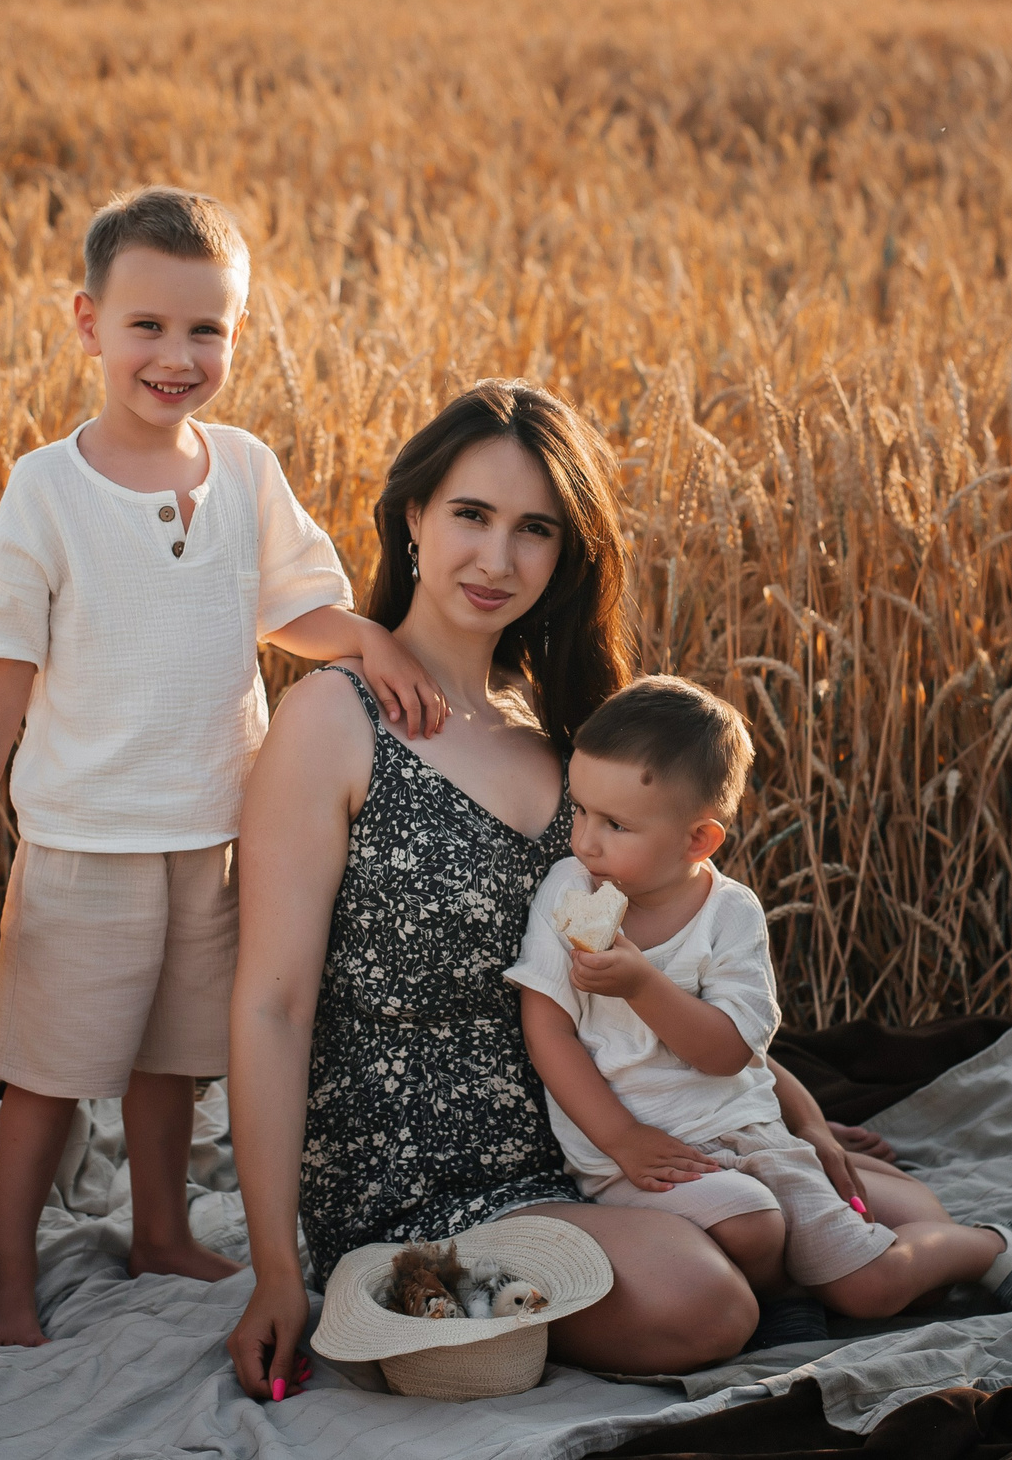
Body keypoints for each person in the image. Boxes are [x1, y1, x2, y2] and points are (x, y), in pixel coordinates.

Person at [0, 187, 447, 1347]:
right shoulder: (48, 487)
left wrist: (364, 635)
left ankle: (157, 1225)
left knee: (174, 1057)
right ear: (88, 324)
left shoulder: (244, 468)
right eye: (147, 325)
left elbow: (293, 606)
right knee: (50, 1069)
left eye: (208, 330)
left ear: (235, 338)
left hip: (213, 821)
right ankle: (6, 1265)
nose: (176, 355)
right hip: (85, 831)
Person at [225, 380, 762, 1404]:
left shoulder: (572, 734)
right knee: (709, 1304)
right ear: (415, 515)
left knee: (782, 1236)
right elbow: (270, 1002)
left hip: (584, 1140)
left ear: (566, 556)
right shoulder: (336, 718)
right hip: (412, 1172)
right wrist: (273, 1268)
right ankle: (404, 1292)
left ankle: (517, 1300)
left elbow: (672, 949)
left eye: (534, 530)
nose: (496, 558)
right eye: (471, 514)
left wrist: (786, 1106)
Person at [507, 676, 1012, 1319]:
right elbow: (547, 1031)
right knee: (751, 1229)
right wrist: (623, 1138)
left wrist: (642, 984)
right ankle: (783, 1298)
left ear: (699, 840)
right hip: (629, 1161)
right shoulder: (569, 890)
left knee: (865, 1290)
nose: (585, 841)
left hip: (748, 1136)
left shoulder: (730, 916)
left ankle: (991, 1246)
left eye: (615, 824)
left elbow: (729, 1054)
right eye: (579, 810)